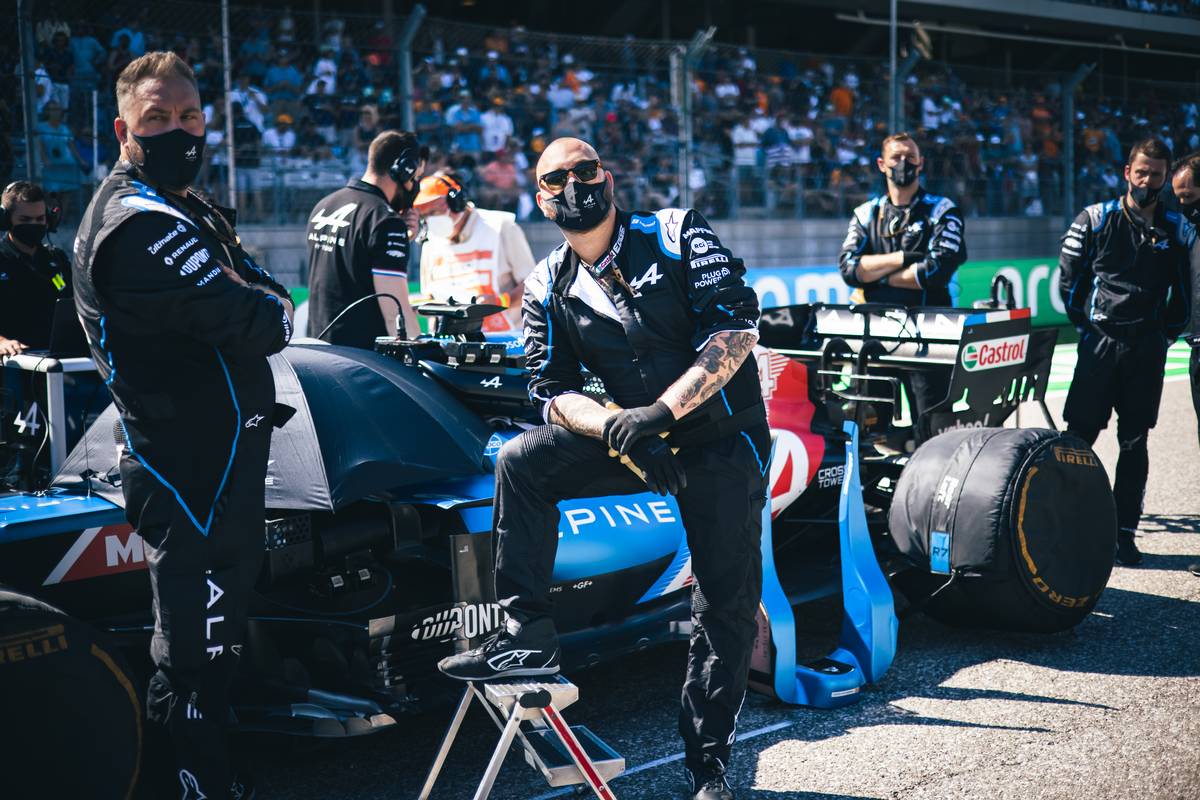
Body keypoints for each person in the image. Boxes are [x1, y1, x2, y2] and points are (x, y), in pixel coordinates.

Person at [437, 138, 769, 800]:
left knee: (724, 605)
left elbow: (735, 332)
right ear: (539, 197)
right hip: (634, 440)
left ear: (608, 176)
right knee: (523, 459)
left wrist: (658, 415)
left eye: (584, 170)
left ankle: (708, 769)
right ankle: (526, 637)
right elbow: (551, 393)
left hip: (723, 439)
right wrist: (622, 431)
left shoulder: (675, 232)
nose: (573, 184)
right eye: (555, 178)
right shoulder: (545, 283)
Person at [72, 52, 294, 798]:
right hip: (185, 468)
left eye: (190, 118)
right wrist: (259, 303)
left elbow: (259, 287)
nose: (180, 132)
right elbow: (258, 319)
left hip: (221, 459)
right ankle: (192, 783)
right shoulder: (136, 224)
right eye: (158, 120)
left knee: (221, 638)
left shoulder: (184, 205)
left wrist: (257, 298)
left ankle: (216, 770)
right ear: (122, 129)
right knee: (194, 651)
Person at [1059, 138, 1194, 567]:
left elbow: (1189, 296)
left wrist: (1164, 335)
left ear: (1165, 177)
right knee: (1078, 439)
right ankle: (1066, 525)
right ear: (1127, 172)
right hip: (1100, 342)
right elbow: (1068, 283)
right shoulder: (1096, 218)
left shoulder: (1178, 228)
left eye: (1156, 174)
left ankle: (1124, 534)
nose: (1148, 181)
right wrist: (1088, 329)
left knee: (1134, 443)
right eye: (1142, 172)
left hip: (1147, 350)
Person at [837, 131, 968, 421]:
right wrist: (903, 259)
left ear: (921, 164)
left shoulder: (943, 210)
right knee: (871, 425)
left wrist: (875, 274)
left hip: (930, 335)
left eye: (910, 157)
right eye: (896, 157)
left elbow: (935, 271)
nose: (903, 163)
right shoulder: (865, 214)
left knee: (933, 426)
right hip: (875, 334)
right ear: (882, 164)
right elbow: (848, 269)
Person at [305, 130, 425, 347]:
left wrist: (401, 238)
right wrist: (425, 356)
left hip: (318, 349)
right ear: (403, 169)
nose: (414, 185)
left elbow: (353, 263)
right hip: (360, 361)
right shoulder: (384, 220)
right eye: (415, 177)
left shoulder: (323, 205)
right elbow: (394, 312)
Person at [413, 170, 536, 332]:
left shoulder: (501, 227)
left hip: (506, 341)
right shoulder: (430, 242)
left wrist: (501, 301)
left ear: (456, 201)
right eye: (424, 215)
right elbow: (429, 294)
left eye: (434, 211)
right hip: (449, 344)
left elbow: (533, 287)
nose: (429, 220)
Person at [0, 181, 71, 355]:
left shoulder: (57, 259)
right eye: (25, 220)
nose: (34, 224)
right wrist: (1, 342)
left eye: (40, 219)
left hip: (58, 358)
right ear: (5, 220)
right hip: (15, 361)